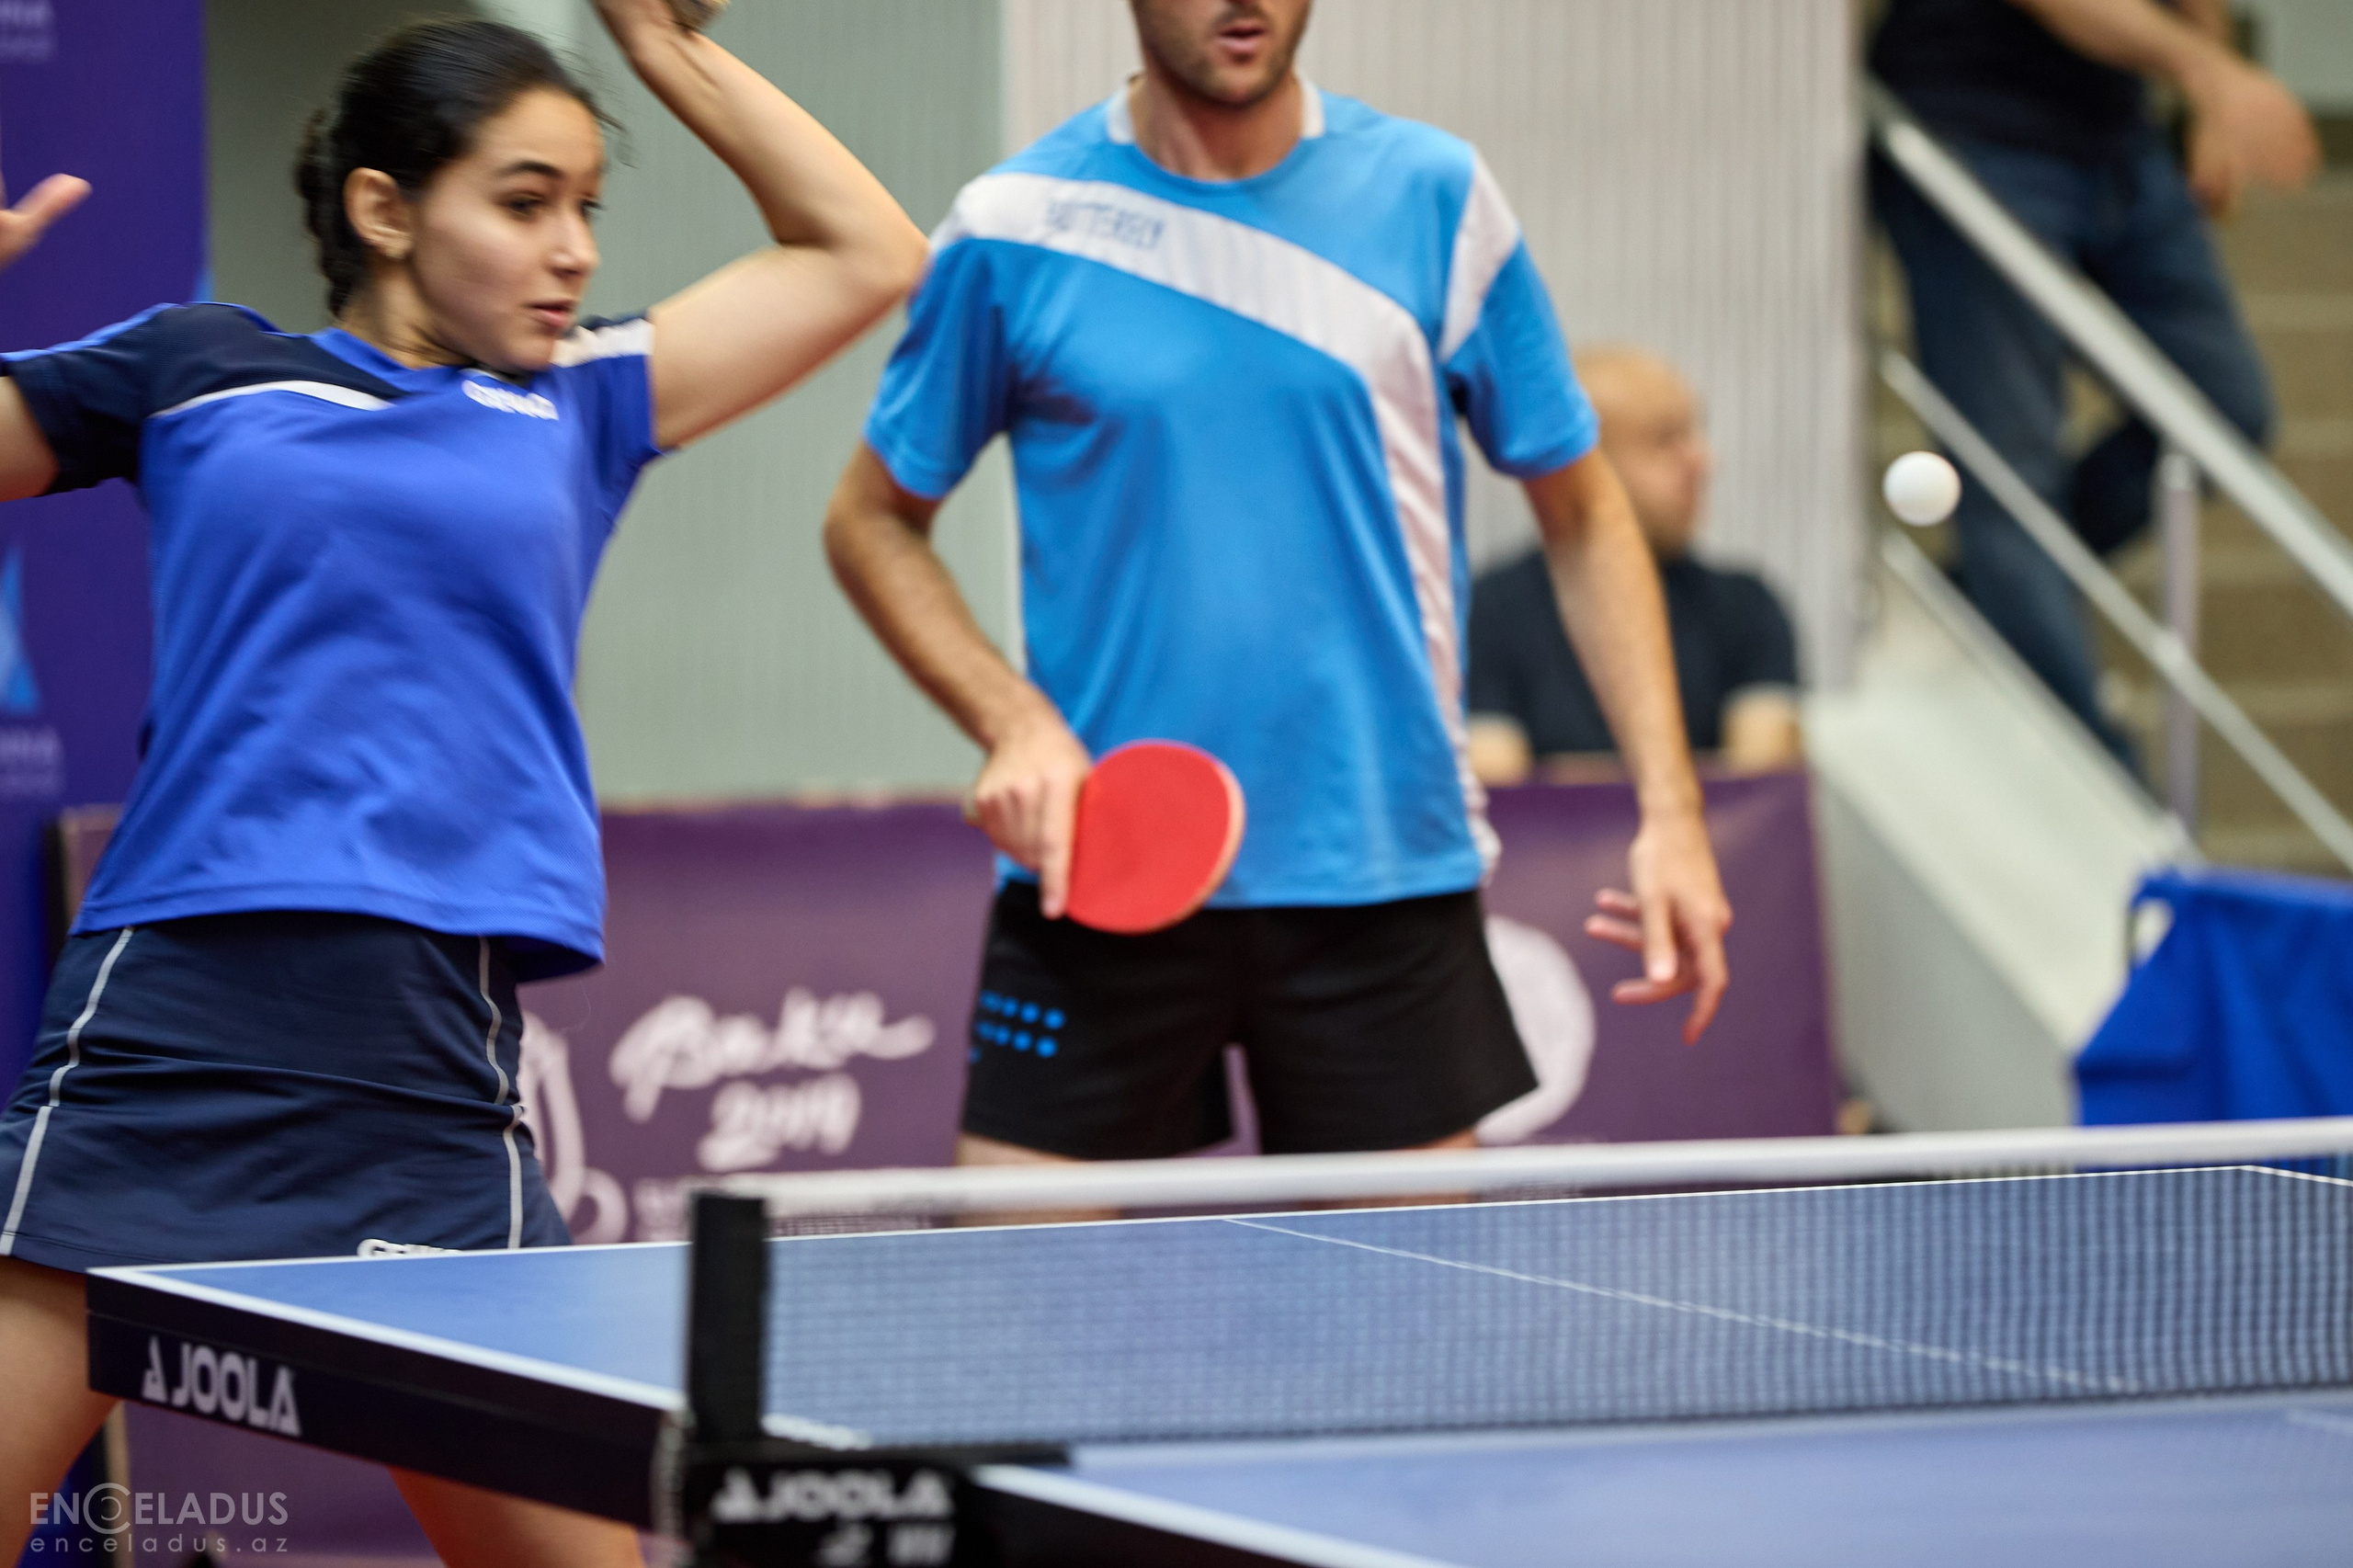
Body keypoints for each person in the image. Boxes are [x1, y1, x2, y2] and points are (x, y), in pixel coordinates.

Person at [0, 5, 924, 1563]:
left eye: (587, 207)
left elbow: (868, 254)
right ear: (384, 208)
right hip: (172, 1037)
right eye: (522, 200)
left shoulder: (583, 400)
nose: (570, 248)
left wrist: (662, 48)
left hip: (430, 1068)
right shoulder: (197, 370)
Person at [825, 0, 1733, 1176]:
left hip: (1384, 871)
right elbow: (872, 521)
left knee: (1402, 1346)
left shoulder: (1437, 197)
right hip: (1102, 871)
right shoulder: (1011, 228)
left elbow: (1586, 511)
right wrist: (1013, 724)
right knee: (1017, 1323)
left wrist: (1671, 812)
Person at [1870, 0, 2320, 764]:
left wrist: (2210, 86)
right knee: (2012, 480)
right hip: (1972, 124)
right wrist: (2210, 70)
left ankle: (1977, 599)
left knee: (2225, 411)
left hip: (2116, 132)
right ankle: (2099, 773)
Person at [1467, 346, 1803, 785]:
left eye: (1695, 433)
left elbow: (1756, 792)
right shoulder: (1492, 609)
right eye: (1665, 440)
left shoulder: (1746, 605)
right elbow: (1505, 795)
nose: (1702, 461)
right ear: (1584, 465)